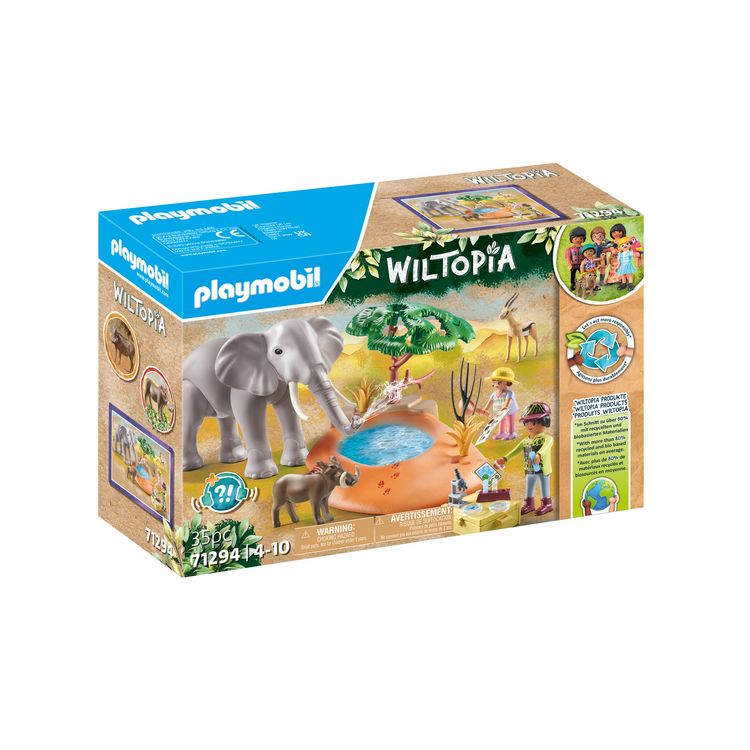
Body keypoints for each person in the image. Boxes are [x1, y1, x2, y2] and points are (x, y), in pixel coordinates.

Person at [494, 402, 554, 516]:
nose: (529, 425)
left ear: (545, 421)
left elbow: (546, 448)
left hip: (543, 469)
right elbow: (515, 450)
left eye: (534, 422)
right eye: (526, 422)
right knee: (529, 486)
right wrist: (505, 458)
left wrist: (539, 455)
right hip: (529, 468)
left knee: (544, 486)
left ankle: (547, 503)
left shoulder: (547, 438)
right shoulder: (525, 441)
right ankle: (529, 504)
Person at [478, 366, 519, 440]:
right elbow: (490, 401)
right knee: (501, 420)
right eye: (494, 382)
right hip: (500, 411)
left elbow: (509, 400)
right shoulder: (494, 393)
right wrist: (485, 408)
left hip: (510, 410)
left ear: (507, 383)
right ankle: (502, 432)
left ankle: (511, 433)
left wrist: (505, 407)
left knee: (510, 420)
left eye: (499, 382)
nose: (496, 384)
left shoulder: (509, 393)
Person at [564, 226, 586, 291]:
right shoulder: (570, 249)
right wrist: (569, 264)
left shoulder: (584, 248)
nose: (578, 240)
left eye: (581, 238)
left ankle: (583, 283)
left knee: (583, 274)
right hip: (573, 265)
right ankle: (572, 284)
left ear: (583, 239)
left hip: (582, 265)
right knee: (573, 275)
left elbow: (586, 256)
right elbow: (568, 257)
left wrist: (586, 263)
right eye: (575, 238)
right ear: (571, 239)